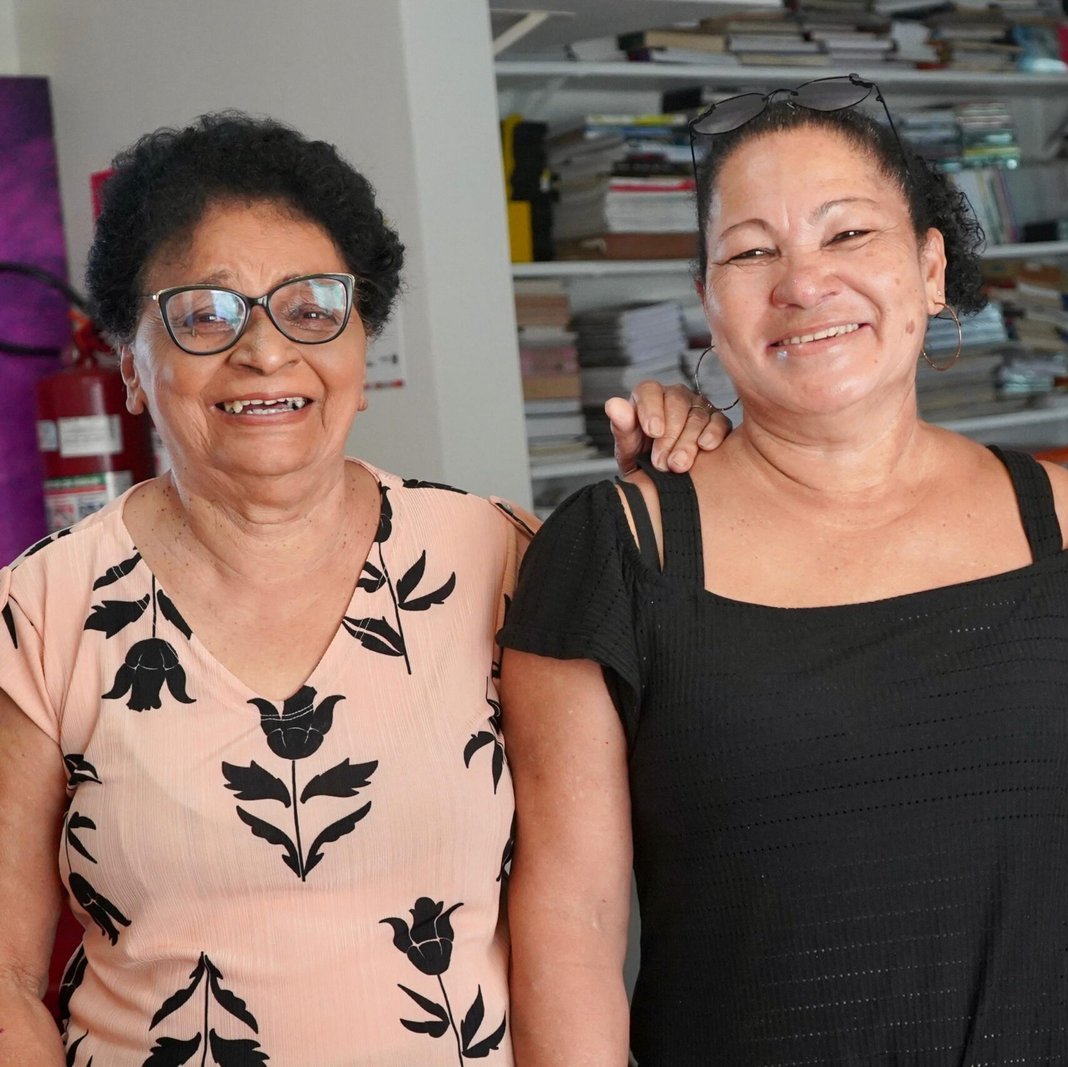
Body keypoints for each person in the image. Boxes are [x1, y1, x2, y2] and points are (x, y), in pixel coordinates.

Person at [496, 76, 1068, 1065]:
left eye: (848, 234)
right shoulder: (615, 552)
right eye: (751, 251)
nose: (802, 283)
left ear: (929, 268)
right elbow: (570, 927)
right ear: (708, 301)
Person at [0, 112, 723, 1066]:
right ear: (132, 363)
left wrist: (692, 494)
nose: (266, 351)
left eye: (311, 309)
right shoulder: (41, 610)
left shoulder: (504, 559)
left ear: (361, 348)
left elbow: (621, 877)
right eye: (205, 314)